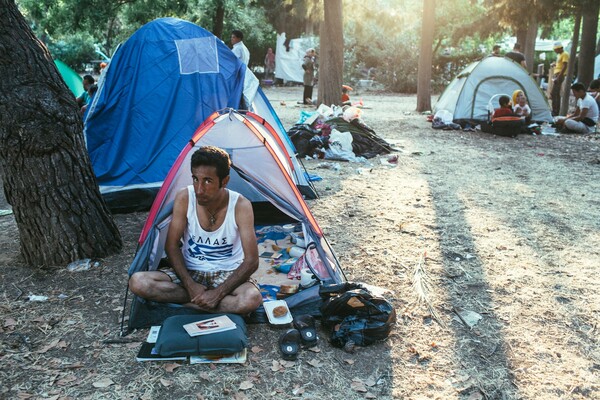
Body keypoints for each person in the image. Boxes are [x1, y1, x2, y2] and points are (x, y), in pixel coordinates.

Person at [129, 146, 263, 314]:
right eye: (195, 179)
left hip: (227, 272)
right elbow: (171, 245)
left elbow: (252, 260)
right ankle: (205, 302)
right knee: (138, 282)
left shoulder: (240, 205)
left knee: (251, 299)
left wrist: (218, 292)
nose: (199, 189)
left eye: (208, 181)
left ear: (225, 181)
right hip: (191, 270)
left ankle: (193, 305)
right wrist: (190, 285)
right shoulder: (185, 197)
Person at [550, 42, 569, 116]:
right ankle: (555, 111)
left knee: (554, 93)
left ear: (560, 48)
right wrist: (555, 64)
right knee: (556, 93)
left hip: (559, 75)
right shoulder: (560, 55)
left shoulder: (565, 54)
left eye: (556, 49)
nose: (555, 51)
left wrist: (559, 77)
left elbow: (565, 66)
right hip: (556, 74)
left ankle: (555, 112)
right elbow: (560, 65)